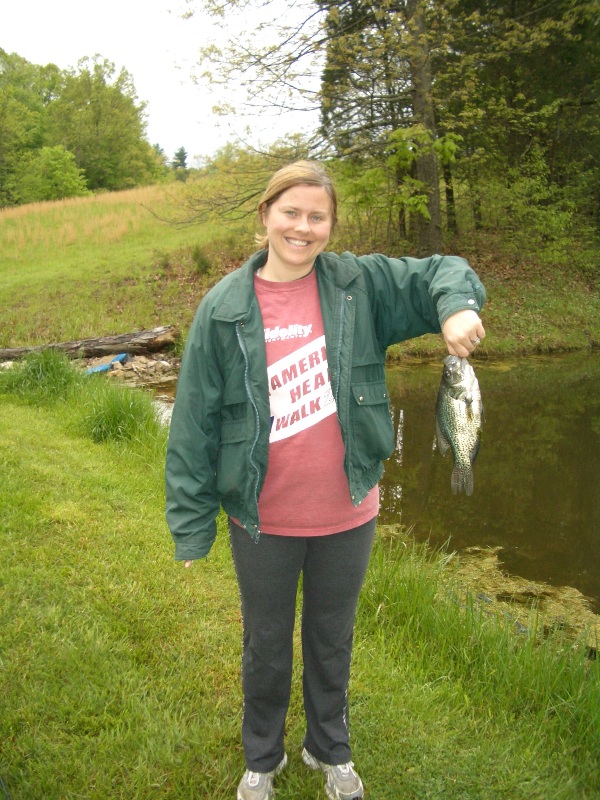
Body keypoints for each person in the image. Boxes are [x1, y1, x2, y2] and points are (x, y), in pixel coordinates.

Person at [165, 160, 486, 800]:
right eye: (291, 213)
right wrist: (192, 526)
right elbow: (194, 423)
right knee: (266, 646)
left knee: (331, 640)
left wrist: (455, 311)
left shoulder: (358, 285)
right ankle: (262, 756)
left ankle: (327, 749)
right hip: (262, 519)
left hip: (349, 511)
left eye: (317, 216)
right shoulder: (224, 308)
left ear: (331, 225)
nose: (302, 228)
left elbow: (441, 271)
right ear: (265, 216)